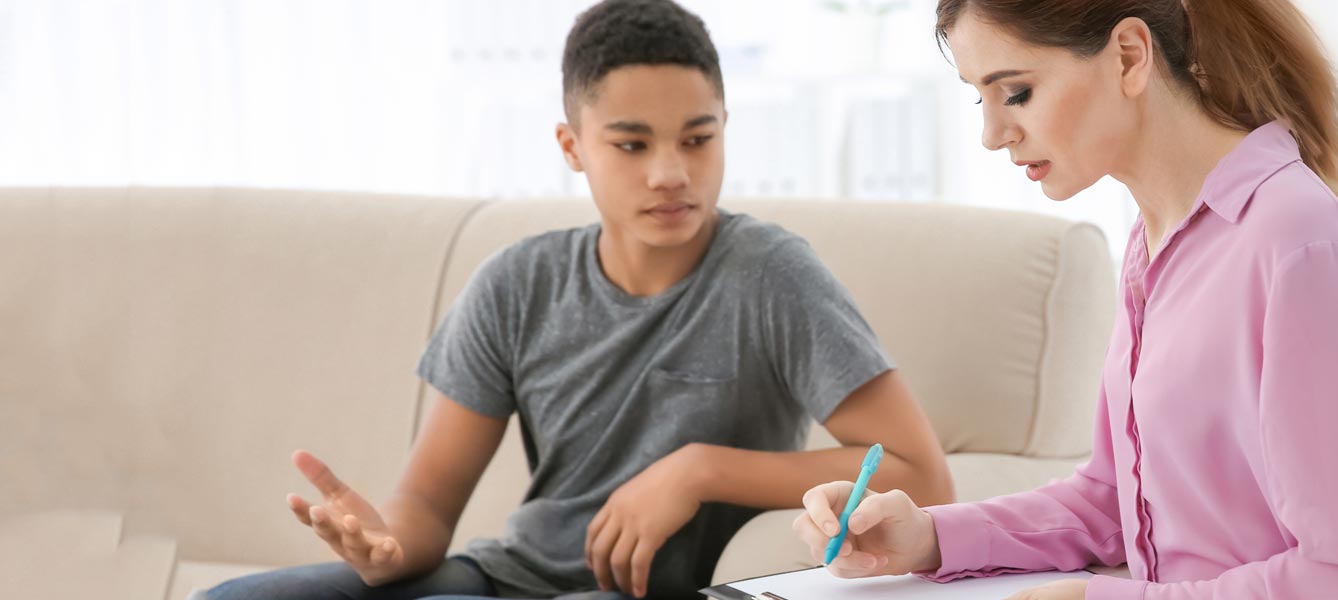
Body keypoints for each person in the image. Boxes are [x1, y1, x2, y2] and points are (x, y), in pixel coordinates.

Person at [202, 1, 953, 598]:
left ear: (726, 131)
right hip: (505, 574)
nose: (670, 173)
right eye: (632, 144)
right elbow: (427, 508)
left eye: (697, 139)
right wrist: (384, 548)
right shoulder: (515, 284)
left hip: (644, 588)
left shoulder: (770, 274)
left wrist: (699, 469)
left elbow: (921, 475)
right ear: (572, 146)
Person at [792, 0, 1338, 598]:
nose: (993, 135)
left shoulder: (1295, 242)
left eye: (1016, 92)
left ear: (1129, 57)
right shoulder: (1152, 240)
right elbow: (1119, 501)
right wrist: (929, 537)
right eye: (981, 100)